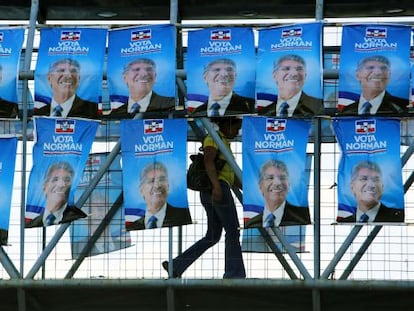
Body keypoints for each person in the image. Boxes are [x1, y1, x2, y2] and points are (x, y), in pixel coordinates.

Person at [162, 117, 246, 279]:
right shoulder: (214, 138)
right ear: (227, 124)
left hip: (213, 190)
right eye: (236, 127)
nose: (237, 132)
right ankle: (234, 273)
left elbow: (231, 176)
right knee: (232, 231)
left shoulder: (223, 143)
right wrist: (216, 186)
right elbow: (208, 161)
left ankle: (177, 265)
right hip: (217, 189)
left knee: (212, 236)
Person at [244, 159, 311, 228]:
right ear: (260, 186)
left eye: (282, 178)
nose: (277, 183)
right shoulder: (251, 224)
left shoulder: (302, 216)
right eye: (270, 178)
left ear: (289, 184)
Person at [126, 161, 192, 230]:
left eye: (162, 180)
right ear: (141, 190)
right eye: (151, 181)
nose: (157, 186)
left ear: (168, 186)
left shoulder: (184, 216)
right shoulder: (133, 226)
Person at [338, 55, 408, 115]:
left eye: (383, 68)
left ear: (389, 74)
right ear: (358, 74)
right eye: (370, 67)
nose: (378, 72)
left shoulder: (402, 107)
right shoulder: (346, 111)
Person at [337, 160, 404, 223]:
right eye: (364, 179)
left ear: (382, 187)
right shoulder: (346, 221)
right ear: (352, 187)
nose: (371, 185)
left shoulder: (396, 217)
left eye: (375, 179)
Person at [259, 54, 324, 117]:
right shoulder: (263, 112)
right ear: (275, 75)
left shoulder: (317, 106)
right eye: (286, 68)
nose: (294, 73)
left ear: (305, 75)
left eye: (299, 69)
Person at [25, 161, 87, 228]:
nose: (61, 185)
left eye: (67, 180)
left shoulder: (75, 216)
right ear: (44, 186)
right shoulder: (34, 221)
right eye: (55, 179)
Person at [109, 58, 175, 118]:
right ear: (125, 77)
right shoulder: (116, 114)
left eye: (149, 69)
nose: (144, 74)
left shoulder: (171, 105)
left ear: (155, 76)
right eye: (136, 69)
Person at [34, 58, 99, 119]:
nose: (68, 75)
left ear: (78, 78)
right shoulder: (39, 114)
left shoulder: (93, 110)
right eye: (61, 70)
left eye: (73, 71)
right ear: (49, 78)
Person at [71, 191, 131, 257]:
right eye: (90, 210)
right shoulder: (75, 249)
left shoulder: (125, 245)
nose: (97, 215)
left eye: (100, 209)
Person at [189, 58, 255, 117]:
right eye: (217, 70)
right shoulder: (197, 112)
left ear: (236, 76)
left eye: (229, 69)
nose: (224, 74)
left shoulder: (251, 106)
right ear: (205, 77)